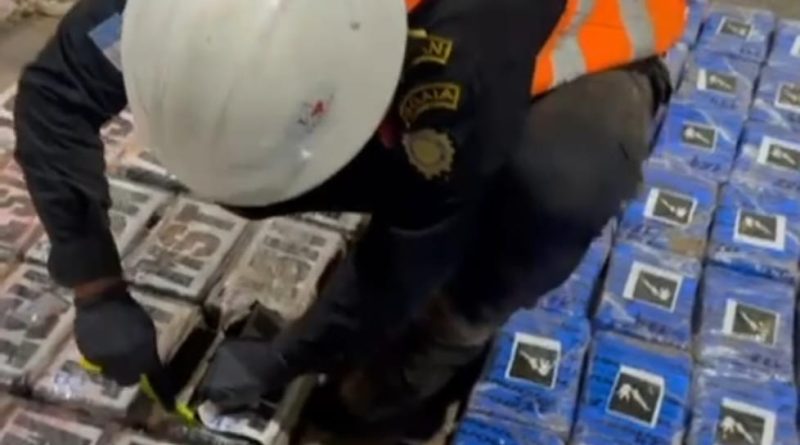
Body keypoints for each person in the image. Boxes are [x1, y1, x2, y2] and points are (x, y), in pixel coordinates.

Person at [14, 0, 686, 438]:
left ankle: (438, 346)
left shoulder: (457, 67)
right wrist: (94, 281)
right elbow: (56, 93)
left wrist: (292, 355)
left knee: (558, 182)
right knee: (247, 170)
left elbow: (420, 235)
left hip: (581, 44)